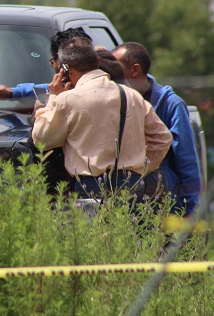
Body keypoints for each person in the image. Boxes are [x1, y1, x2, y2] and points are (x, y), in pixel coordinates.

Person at [32, 37, 172, 199]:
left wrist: (54, 97)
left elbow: (42, 139)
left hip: (90, 187)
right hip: (133, 185)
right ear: (97, 61)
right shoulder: (132, 96)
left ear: (66, 69)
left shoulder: (67, 100)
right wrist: (141, 168)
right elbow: (162, 138)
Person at [112, 42, 202, 216]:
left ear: (135, 70)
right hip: (125, 200)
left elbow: (186, 158)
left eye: (116, 66)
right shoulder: (115, 99)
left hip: (163, 203)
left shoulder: (170, 105)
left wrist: (188, 208)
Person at [0, 28, 124, 101]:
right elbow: (45, 89)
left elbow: (44, 135)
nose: (54, 68)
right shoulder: (122, 88)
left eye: (52, 62)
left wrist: (54, 99)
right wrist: (13, 92)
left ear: (63, 61)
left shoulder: (74, 99)